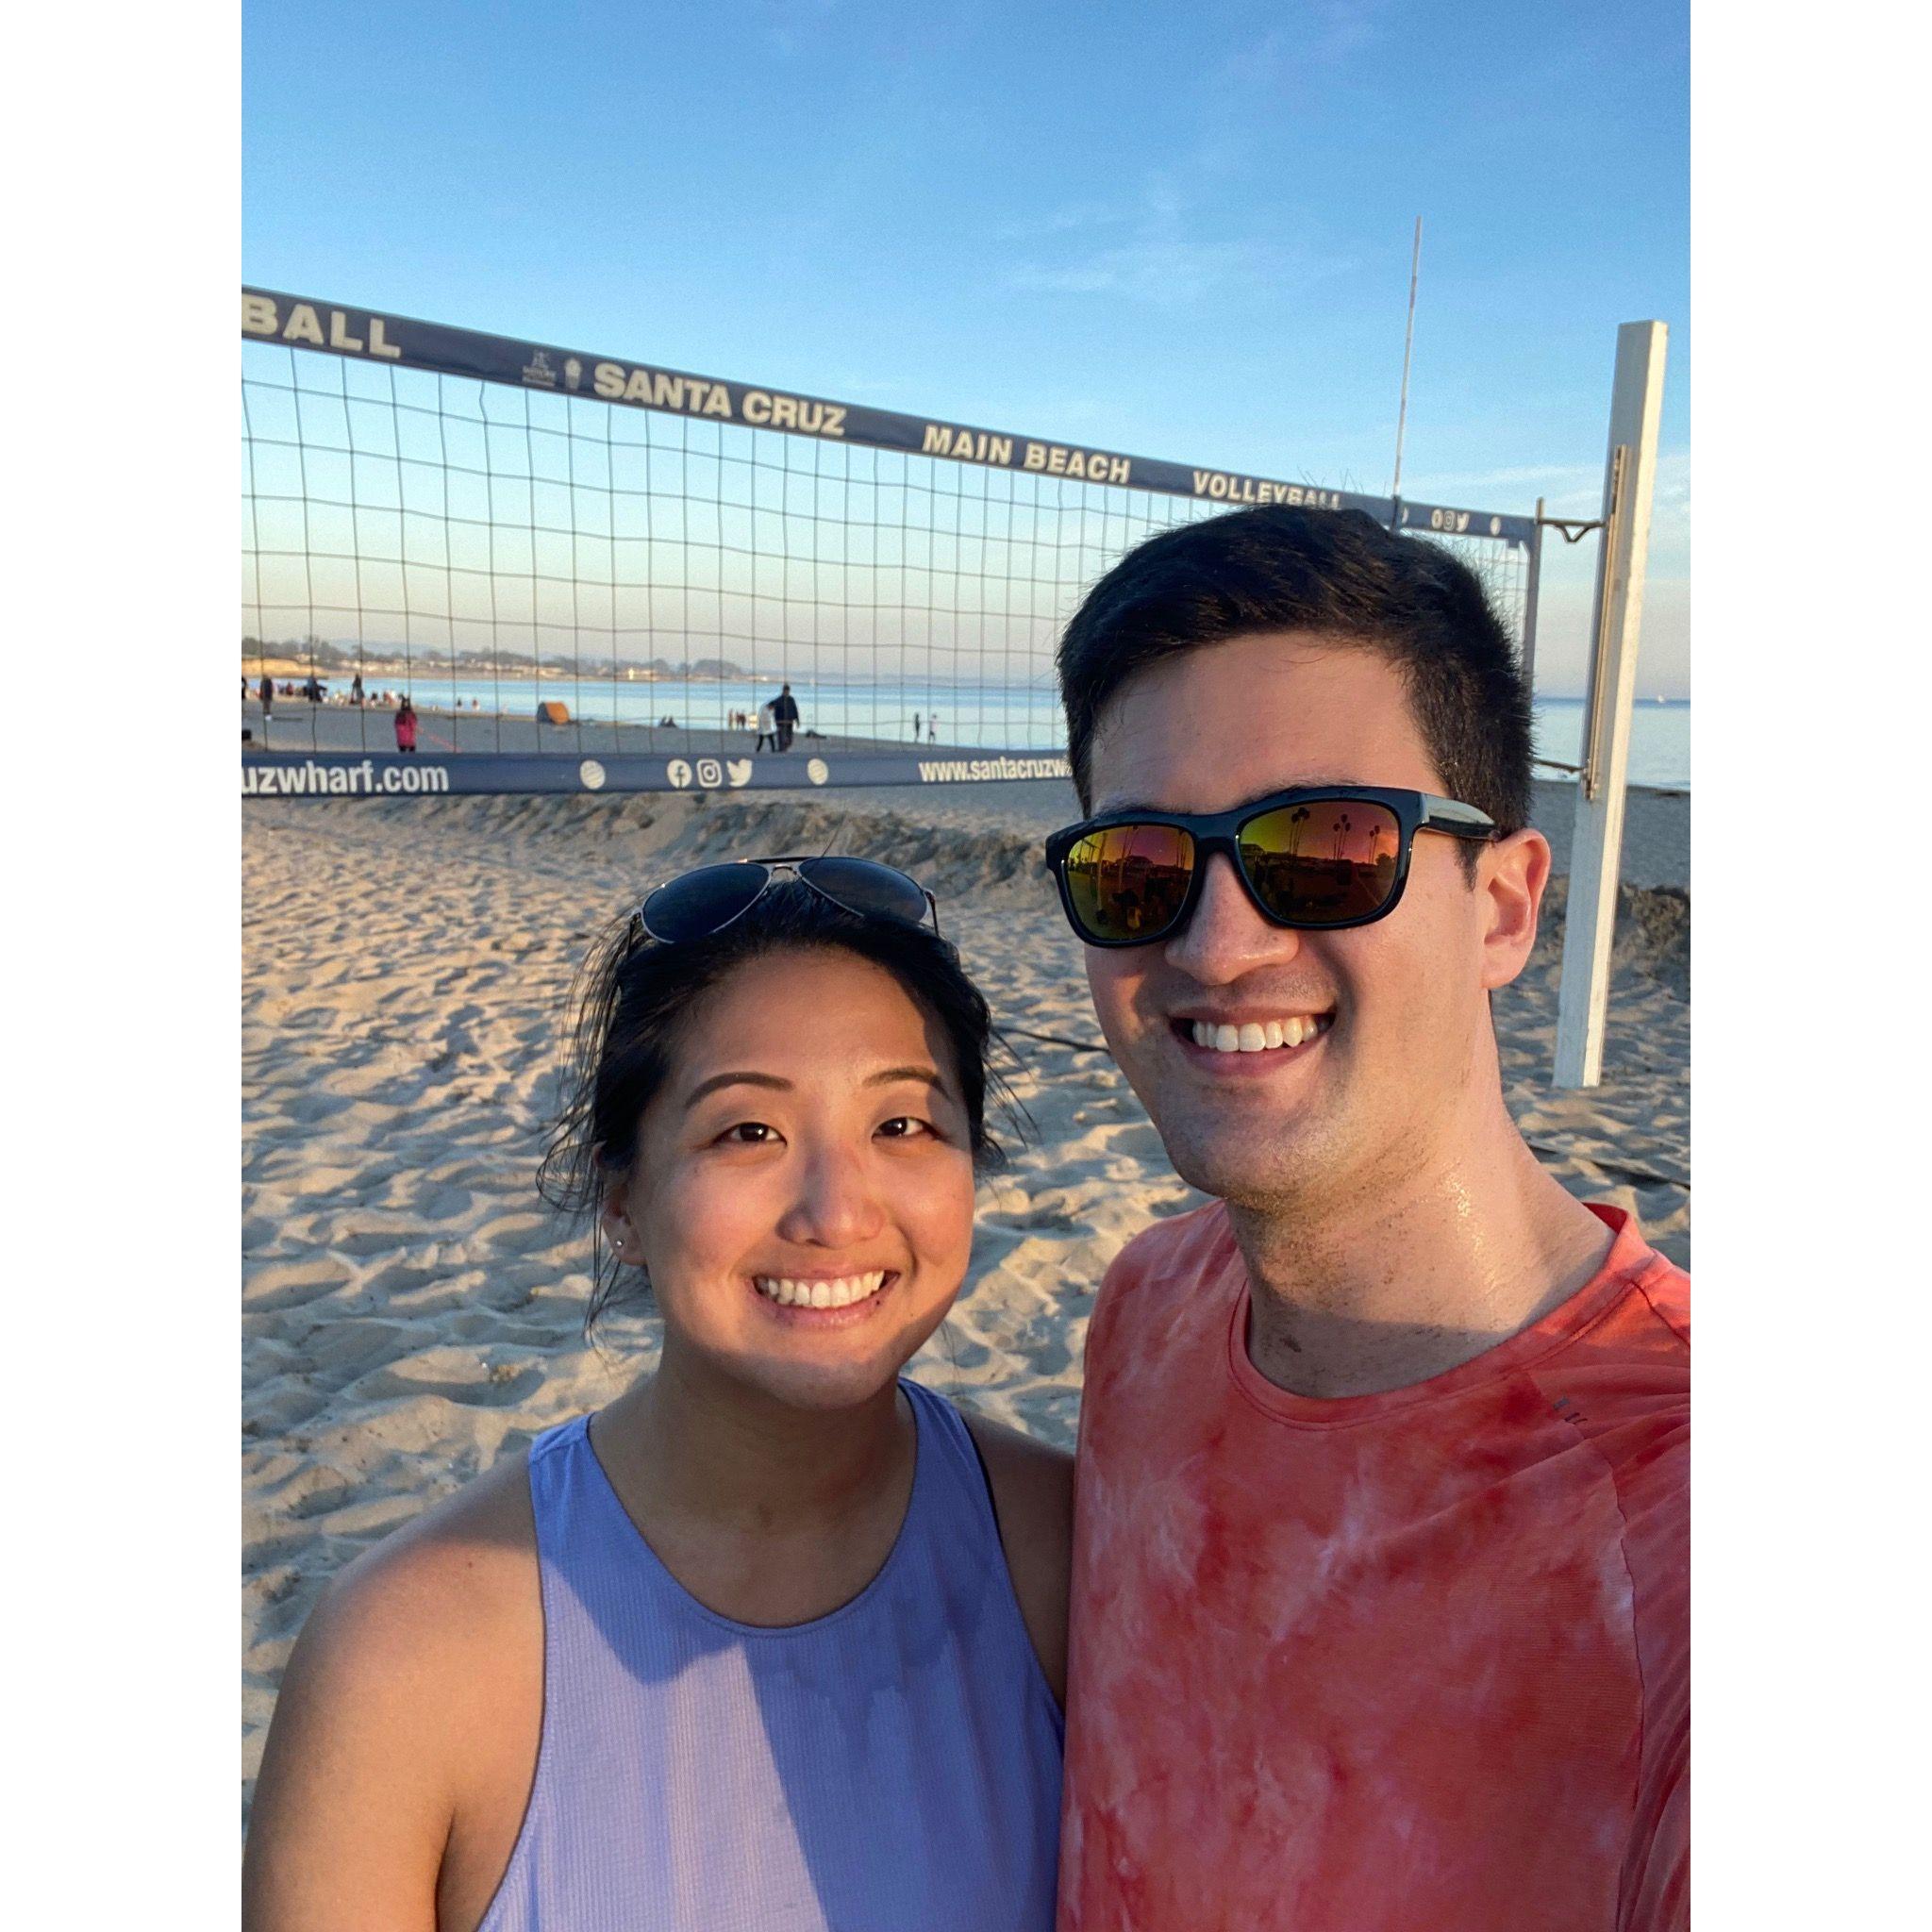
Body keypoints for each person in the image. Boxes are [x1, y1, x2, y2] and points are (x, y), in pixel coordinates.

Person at [1043, 505, 1689, 1931]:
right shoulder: (1146, 1308)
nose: (1214, 944)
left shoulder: (1684, 1517)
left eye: (1329, 848)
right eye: (1138, 867)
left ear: (1506, 908)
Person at [242, 860, 1070, 1930]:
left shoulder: (1073, 1557)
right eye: (746, 1131)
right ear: (623, 1201)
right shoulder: (401, 1664)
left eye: (902, 1125)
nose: (836, 1210)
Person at [773, 682, 800, 752]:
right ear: (783, 691)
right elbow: (773, 709)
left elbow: (795, 710)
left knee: (790, 740)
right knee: (781, 739)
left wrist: (797, 720)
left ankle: (783, 748)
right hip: (781, 722)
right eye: (785, 690)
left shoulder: (791, 700)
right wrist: (776, 721)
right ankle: (781, 750)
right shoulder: (779, 700)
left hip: (789, 722)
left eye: (788, 690)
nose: (787, 692)